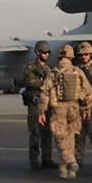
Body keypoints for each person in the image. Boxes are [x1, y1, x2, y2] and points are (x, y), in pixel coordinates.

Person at [39, 48, 92, 180]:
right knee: (70, 136)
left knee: (60, 136)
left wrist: (42, 111)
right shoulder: (77, 71)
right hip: (74, 107)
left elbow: (45, 92)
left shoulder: (54, 72)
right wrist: (87, 108)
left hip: (59, 108)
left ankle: (70, 161)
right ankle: (65, 170)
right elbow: (88, 91)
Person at [23, 43, 56, 171]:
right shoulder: (31, 67)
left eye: (48, 52)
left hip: (46, 104)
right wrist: (45, 83)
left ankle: (47, 159)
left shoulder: (48, 68)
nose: (46, 55)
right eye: (44, 52)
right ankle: (34, 160)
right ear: (37, 53)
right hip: (35, 103)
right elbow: (29, 82)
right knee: (35, 132)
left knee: (47, 132)